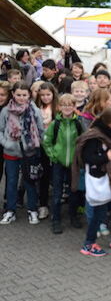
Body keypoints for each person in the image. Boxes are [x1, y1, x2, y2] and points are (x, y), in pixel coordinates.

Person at [73, 106, 111, 257]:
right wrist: (107, 157)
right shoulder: (94, 137)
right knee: (100, 212)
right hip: (99, 178)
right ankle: (89, 243)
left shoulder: (110, 132)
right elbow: (87, 158)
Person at [0, 82, 45, 225]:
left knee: (29, 181)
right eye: (18, 94)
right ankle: (10, 210)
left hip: (29, 151)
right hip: (11, 151)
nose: (21, 97)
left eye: (24, 95)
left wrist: (39, 146)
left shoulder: (35, 110)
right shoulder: (6, 111)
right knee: (11, 181)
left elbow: (40, 130)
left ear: (29, 95)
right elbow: (0, 130)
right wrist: (6, 143)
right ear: (13, 94)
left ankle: (32, 209)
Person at [43, 93, 84, 233]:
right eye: (64, 105)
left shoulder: (78, 123)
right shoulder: (55, 123)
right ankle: (56, 219)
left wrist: (79, 158)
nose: (67, 108)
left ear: (74, 107)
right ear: (59, 107)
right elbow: (47, 141)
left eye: (70, 105)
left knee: (73, 190)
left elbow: (83, 141)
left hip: (73, 163)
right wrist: (53, 155)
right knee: (57, 191)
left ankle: (73, 216)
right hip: (58, 163)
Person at [35, 82, 59, 220]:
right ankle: (43, 205)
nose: (45, 97)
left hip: (55, 146)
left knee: (55, 177)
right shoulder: (36, 108)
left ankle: (55, 206)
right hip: (41, 146)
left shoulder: (57, 108)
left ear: (53, 94)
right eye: (42, 95)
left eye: (48, 94)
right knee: (43, 177)